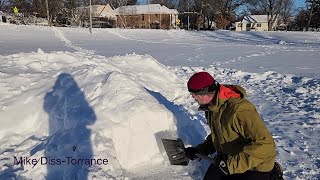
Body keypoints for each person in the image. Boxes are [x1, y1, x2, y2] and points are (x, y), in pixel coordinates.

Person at [184, 72, 276, 180]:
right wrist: (200, 150)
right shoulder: (212, 107)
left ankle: (273, 175)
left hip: (255, 166)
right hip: (230, 160)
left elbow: (266, 145)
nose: (193, 97)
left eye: (194, 94)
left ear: (204, 93)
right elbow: (220, 134)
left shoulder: (240, 110)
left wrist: (230, 165)